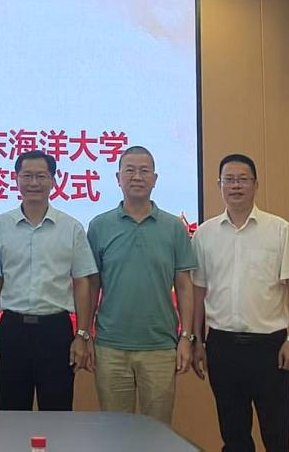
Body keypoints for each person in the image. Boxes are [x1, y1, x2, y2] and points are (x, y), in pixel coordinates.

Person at [191, 153, 289, 452]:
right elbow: (198, 291)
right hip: (222, 347)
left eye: (243, 179)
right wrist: (197, 342)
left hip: (270, 347)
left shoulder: (279, 229)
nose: (235, 186)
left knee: (277, 436)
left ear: (255, 185)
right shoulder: (204, 234)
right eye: (229, 180)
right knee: (234, 436)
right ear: (219, 185)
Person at [86, 145, 195, 425]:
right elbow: (92, 285)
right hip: (110, 346)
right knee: (115, 432)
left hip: (160, 346)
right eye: (130, 170)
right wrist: (85, 334)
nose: (137, 177)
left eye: (144, 171)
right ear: (118, 178)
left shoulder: (174, 228)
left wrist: (186, 337)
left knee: (157, 432)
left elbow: (185, 286)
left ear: (155, 179)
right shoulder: (99, 226)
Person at [0, 150, 98, 411]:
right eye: (27, 176)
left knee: (57, 413)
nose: (33, 183)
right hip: (13, 330)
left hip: (55, 331)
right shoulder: (0, 225)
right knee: (11, 413)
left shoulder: (71, 227)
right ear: (16, 179)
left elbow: (82, 282)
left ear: (53, 181)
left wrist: (82, 334)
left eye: (41, 176)